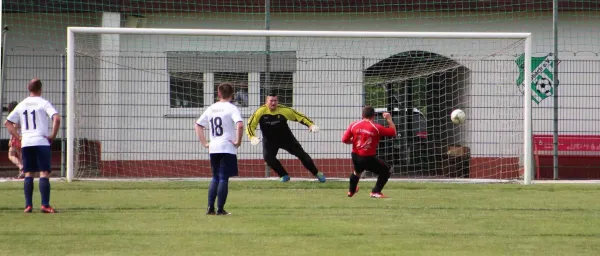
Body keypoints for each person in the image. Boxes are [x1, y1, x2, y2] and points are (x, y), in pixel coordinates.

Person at [5, 78, 61, 213]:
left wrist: (19, 137)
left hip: (27, 143)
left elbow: (7, 123)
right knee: (44, 172)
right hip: (41, 142)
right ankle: (45, 205)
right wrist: (52, 136)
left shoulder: (22, 104)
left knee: (28, 172)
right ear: (40, 89)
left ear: (28, 88)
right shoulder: (43, 103)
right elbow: (57, 118)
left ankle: (28, 205)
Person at [246, 93, 325, 183]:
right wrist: (252, 137)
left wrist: (310, 125)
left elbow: (299, 116)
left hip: (287, 139)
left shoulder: (284, 110)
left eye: (275, 101)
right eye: (271, 101)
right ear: (266, 102)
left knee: (302, 155)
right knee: (268, 158)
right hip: (270, 141)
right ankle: (284, 175)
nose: (273, 103)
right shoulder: (260, 112)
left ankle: (317, 173)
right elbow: (250, 125)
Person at [195, 82, 243, 216]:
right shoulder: (232, 108)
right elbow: (239, 125)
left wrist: (205, 143)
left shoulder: (211, 108)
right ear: (232, 94)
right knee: (223, 178)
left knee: (215, 177)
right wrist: (238, 141)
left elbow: (198, 125)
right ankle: (220, 209)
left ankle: (210, 208)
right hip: (227, 147)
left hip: (214, 147)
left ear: (219, 93)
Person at [341, 106, 396, 198]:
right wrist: (389, 119)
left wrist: (353, 141)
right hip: (368, 158)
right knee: (388, 169)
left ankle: (351, 191)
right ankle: (376, 191)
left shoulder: (354, 125)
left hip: (355, 155)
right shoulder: (376, 127)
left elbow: (344, 140)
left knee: (357, 172)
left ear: (362, 115)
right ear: (373, 116)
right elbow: (393, 132)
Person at [6, 101, 24, 179]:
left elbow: (14, 127)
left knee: (11, 155)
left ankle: (21, 167)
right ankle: (22, 171)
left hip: (16, 137)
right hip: (23, 136)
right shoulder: (21, 114)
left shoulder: (14, 116)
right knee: (20, 155)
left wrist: (11, 138)